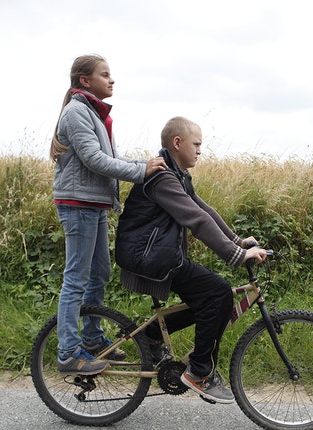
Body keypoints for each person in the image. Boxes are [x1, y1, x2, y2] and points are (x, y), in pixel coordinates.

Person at [115, 116, 268, 404]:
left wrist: (237, 241)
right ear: (177, 143)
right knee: (218, 294)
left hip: (159, 254)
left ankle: (150, 337)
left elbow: (203, 209)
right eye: (196, 144)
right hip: (150, 256)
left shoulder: (177, 175)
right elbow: (195, 219)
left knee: (212, 299)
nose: (200, 150)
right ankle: (200, 371)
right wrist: (236, 255)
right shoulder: (162, 177)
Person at [50, 54, 167, 375]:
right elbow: (95, 160)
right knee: (75, 279)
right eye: (105, 74)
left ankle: (92, 339)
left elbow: (111, 157)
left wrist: (142, 164)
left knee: (99, 274)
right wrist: (141, 171)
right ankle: (68, 353)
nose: (111, 79)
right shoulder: (77, 113)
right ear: (84, 81)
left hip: (93, 205)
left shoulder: (95, 114)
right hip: (78, 206)